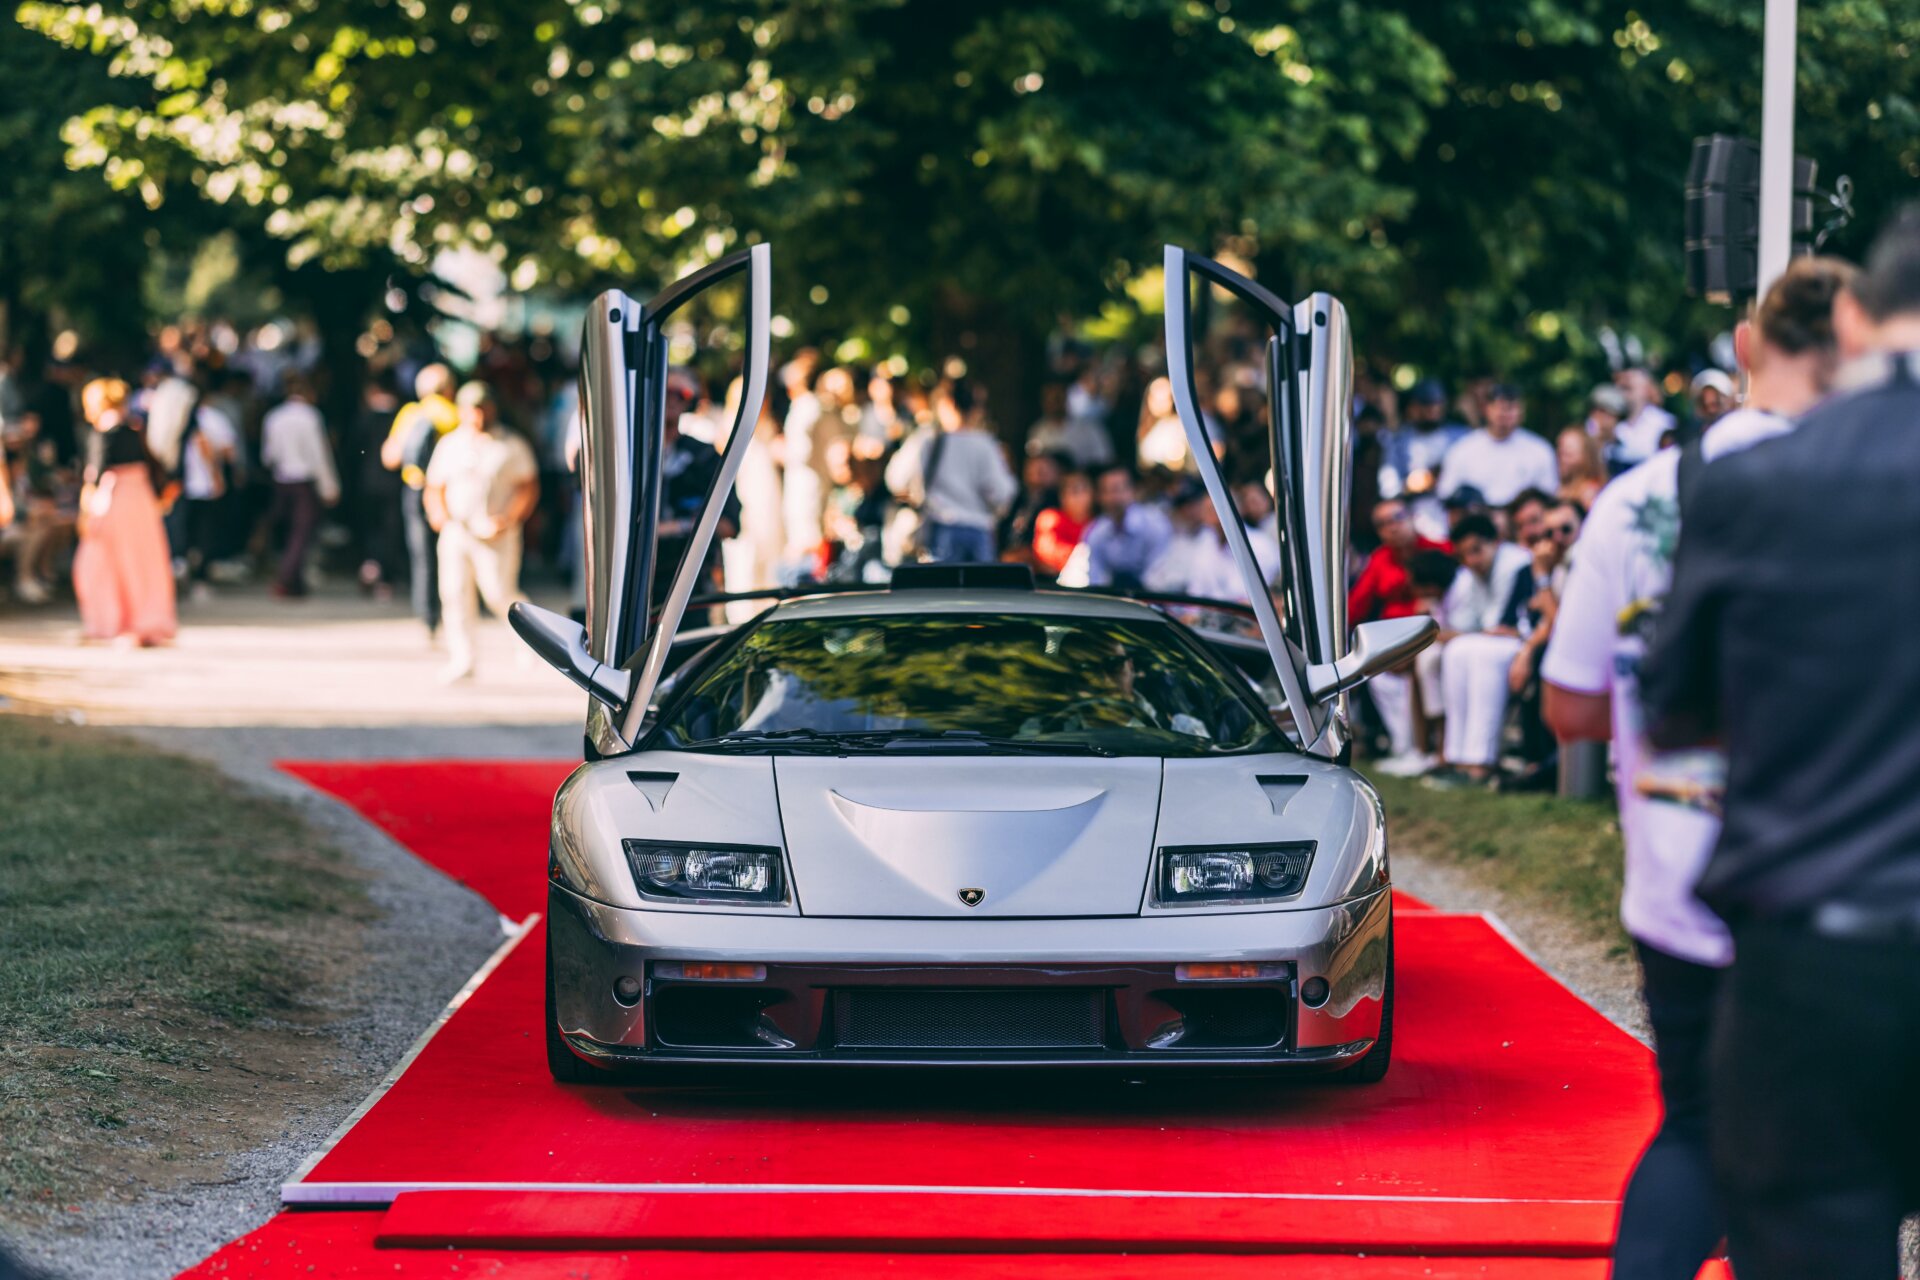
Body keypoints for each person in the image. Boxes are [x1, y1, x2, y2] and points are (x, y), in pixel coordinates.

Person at [1543, 255, 1856, 1280]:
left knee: (1699, 1130)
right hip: (1837, 882)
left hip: (1682, 872)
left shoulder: (1639, 500)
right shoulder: (1882, 496)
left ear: (1748, 347)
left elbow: (1570, 705)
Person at [423, 383, 539, 682]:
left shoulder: (510, 444)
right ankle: (463, 658)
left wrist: (509, 518)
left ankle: (529, 642)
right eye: (472, 409)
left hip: (495, 532)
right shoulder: (450, 444)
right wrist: (437, 514)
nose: (477, 415)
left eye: (482, 408)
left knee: (499, 593)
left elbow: (527, 486)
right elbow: (434, 486)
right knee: (454, 594)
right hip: (457, 529)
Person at [1425, 513, 1530, 787]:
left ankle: (1481, 760)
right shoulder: (1472, 575)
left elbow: (1501, 625)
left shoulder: (1516, 564)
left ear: (1495, 542)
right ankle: (1457, 756)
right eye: (1465, 555)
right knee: (1457, 651)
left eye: (1477, 550)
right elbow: (1467, 626)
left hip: (1522, 640)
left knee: (1480, 652)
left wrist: (1469, 633)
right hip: (1492, 639)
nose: (1472, 560)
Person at [71, 378, 175, 645]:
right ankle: (144, 621)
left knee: (98, 562)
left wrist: (85, 511)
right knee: (142, 562)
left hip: (114, 498)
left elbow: (95, 472)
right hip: (140, 499)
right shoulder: (135, 428)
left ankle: (110, 621)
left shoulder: (105, 430)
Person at [1351, 498, 1451, 774]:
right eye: (1382, 524)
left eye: (1396, 518)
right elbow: (1355, 605)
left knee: (1423, 666)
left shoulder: (1440, 550)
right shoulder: (1379, 560)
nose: (1391, 527)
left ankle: (1427, 747)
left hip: (1429, 635)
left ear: (1410, 517)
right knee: (1377, 677)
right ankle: (1405, 747)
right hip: (1392, 643)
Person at [884, 376, 1015, 563]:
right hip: (979, 531)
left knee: (941, 590)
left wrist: (917, 492)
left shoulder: (927, 441)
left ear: (947, 403)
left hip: (940, 529)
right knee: (980, 591)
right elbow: (1002, 492)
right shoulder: (985, 445)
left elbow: (896, 479)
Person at [383, 363, 460, 638]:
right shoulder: (456, 415)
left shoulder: (411, 413)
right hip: (449, 491)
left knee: (422, 556)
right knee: (454, 554)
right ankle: (457, 612)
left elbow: (389, 458)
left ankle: (428, 618)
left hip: (415, 489)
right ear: (450, 388)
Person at [258, 373, 339, 598]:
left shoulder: (274, 417)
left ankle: (294, 580)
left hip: (281, 480)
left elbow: (268, 456)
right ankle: (286, 577)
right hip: (303, 482)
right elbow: (319, 456)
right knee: (301, 533)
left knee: (287, 532)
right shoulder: (310, 417)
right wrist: (330, 487)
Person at [1436, 384, 1560, 508]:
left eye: (1511, 408)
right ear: (1486, 409)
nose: (1505, 413)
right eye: (1499, 407)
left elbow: (1549, 494)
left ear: (1522, 411)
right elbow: (1446, 492)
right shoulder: (1462, 449)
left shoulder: (1540, 450)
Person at [1377, 378, 1468, 539]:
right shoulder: (1399, 442)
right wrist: (1409, 486)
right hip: (1414, 518)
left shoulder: (1460, 436)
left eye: (1435, 405)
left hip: (1456, 514)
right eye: (1424, 406)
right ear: (1411, 408)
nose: (1431, 411)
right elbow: (1388, 487)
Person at [1070, 465, 1173, 589]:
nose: (1113, 498)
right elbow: (1096, 578)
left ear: (1133, 491)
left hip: (1152, 598)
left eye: (1118, 489)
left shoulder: (1155, 525)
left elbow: (1159, 576)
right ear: (1099, 497)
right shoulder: (1095, 531)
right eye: (1106, 491)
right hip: (1114, 602)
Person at [1144, 478, 1243, 601]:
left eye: (1193, 505)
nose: (1188, 511)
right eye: (1183, 506)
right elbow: (1151, 577)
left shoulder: (1213, 538)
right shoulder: (1178, 539)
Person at [1026, 380, 1114, 470]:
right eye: (1049, 400)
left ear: (1066, 399)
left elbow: (1105, 460)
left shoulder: (1090, 429)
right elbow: (1034, 463)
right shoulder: (1037, 432)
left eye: (1057, 399)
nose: (1054, 404)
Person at [1031, 468, 1094, 579]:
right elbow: (1046, 558)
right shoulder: (1050, 518)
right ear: (1061, 496)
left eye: (1081, 489)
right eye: (1071, 490)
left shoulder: (1100, 524)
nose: (1076, 496)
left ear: (1093, 494)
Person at [1612, 366, 1676, 467]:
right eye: (1623, 387)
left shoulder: (1664, 423)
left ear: (1647, 389)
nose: (1625, 381)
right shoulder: (1612, 424)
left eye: (1629, 387)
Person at [1555, 425, 1607, 509]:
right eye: (1559, 453)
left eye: (1568, 454)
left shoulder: (1590, 493)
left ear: (1586, 458)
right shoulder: (1562, 487)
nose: (1562, 460)